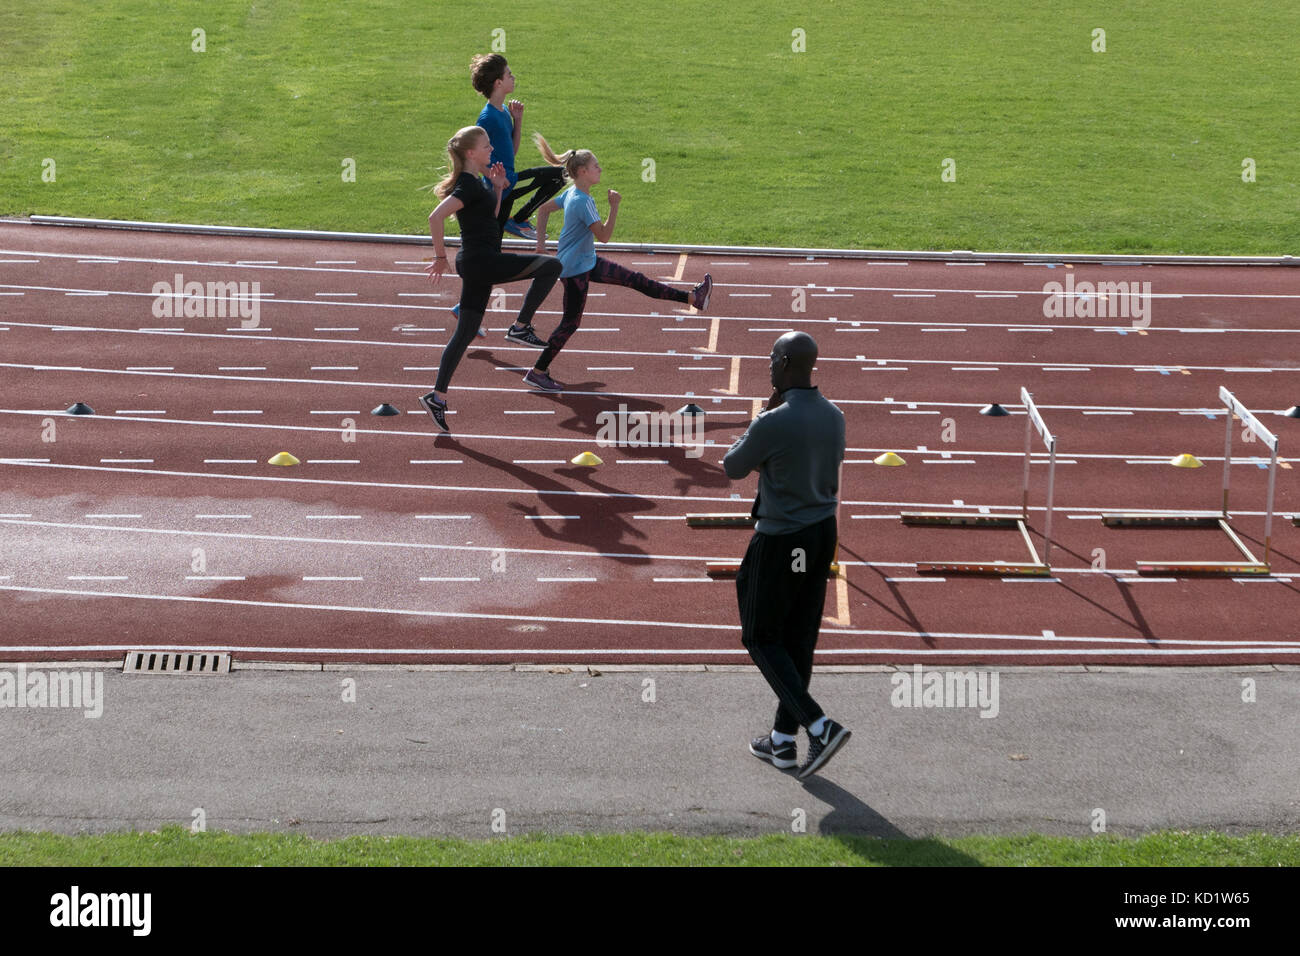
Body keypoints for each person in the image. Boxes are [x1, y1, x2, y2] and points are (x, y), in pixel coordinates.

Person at [722, 331, 850, 779]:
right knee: (798, 640)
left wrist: (761, 417)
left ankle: (818, 725)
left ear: (787, 362)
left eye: (772, 357)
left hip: (782, 541)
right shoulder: (835, 416)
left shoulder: (773, 421)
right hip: (820, 536)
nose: (768, 364)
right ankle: (781, 740)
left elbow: (732, 466)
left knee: (759, 636)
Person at [524, 134, 712, 392]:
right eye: (596, 166)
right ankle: (538, 371)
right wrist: (614, 207)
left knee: (636, 280)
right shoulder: (582, 201)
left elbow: (543, 210)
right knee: (570, 323)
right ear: (582, 171)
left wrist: (541, 246)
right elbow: (604, 237)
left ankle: (692, 298)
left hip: (584, 262)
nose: (600, 169)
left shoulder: (572, 194)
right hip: (575, 270)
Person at [421, 125, 562, 432]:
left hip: (477, 263)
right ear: (471, 153)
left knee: (465, 333)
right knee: (551, 267)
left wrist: (497, 189)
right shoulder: (467, 186)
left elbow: (489, 218)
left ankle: (437, 396)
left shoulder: (477, 183)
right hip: (481, 261)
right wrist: (439, 257)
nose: (491, 151)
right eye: (486, 146)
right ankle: (520, 327)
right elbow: (435, 217)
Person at [470, 53, 565, 240]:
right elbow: (472, 157)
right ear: (498, 83)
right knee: (560, 175)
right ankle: (519, 220)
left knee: (560, 175)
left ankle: (519, 220)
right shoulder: (487, 118)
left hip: (509, 183)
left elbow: (512, 152)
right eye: (509, 75)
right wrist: (493, 177)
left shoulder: (504, 112)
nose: (513, 78)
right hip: (500, 188)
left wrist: (518, 120)